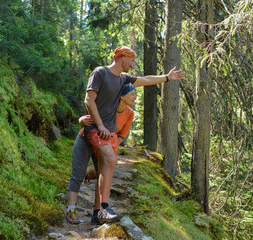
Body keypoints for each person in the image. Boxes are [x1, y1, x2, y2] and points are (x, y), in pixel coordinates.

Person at [67, 46, 184, 224]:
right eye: (131, 60)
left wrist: (167, 78)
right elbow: (88, 100)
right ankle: (79, 210)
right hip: (95, 130)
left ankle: (98, 212)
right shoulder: (100, 73)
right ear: (122, 58)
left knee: (104, 169)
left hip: (106, 133)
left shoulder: (123, 79)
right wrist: (98, 125)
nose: (133, 64)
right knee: (105, 162)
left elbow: (145, 80)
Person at [66, 83, 136, 225]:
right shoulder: (107, 105)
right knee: (77, 174)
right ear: (122, 96)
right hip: (85, 140)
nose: (135, 97)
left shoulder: (130, 114)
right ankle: (70, 211)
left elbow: (121, 136)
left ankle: (97, 214)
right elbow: (87, 117)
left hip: (105, 145)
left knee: (102, 176)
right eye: (132, 94)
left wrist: (109, 146)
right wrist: (81, 120)